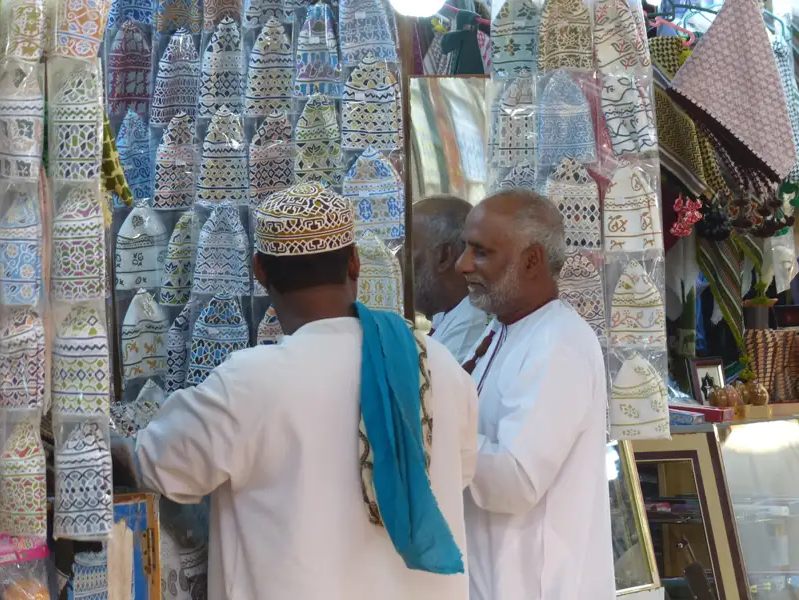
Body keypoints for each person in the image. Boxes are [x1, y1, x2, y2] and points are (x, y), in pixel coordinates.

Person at [112, 183, 478, 600]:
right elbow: (461, 471)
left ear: (259, 271)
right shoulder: (435, 365)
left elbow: (154, 464)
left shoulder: (249, 385)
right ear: (355, 262)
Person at [457, 189, 614, 600]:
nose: (463, 265)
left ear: (531, 261)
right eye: (464, 249)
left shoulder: (558, 344)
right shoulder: (502, 331)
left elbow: (515, 479)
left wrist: (427, 433)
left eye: (481, 252)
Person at [413, 195, 489, 363]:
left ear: (444, 256)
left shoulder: (468, 327)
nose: (397, 259)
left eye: (407, 248)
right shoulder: (447, 317)